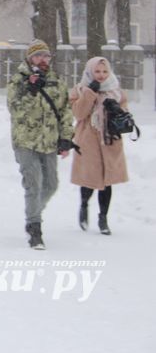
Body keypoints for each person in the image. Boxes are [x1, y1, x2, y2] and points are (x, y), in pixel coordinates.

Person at [7, 39, 75, 250]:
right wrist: (31, 91)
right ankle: (35, 228)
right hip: (25, 141)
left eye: (46, 56)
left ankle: (33, 211)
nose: (43, 60)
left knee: (51, 185)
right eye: (38, 56)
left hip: (49, 142)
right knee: (33, 183)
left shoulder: (56, 80)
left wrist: (66, 137)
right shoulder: (18, 80)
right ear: (29, 58)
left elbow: (65, 111)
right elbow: (15, 109)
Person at [69, 56, 130, 235]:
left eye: (104, 71)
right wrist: (89, 93)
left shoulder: (116, 91)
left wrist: (116, 110)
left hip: (110, 140)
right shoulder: (79, 90)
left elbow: (125, 113)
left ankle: (103, 218)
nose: (101, 75)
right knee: (89, 178)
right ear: (90, 71)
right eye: (97, 71)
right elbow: (79, 114)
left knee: (107, 181)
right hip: (88, 140)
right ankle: (84, 206)